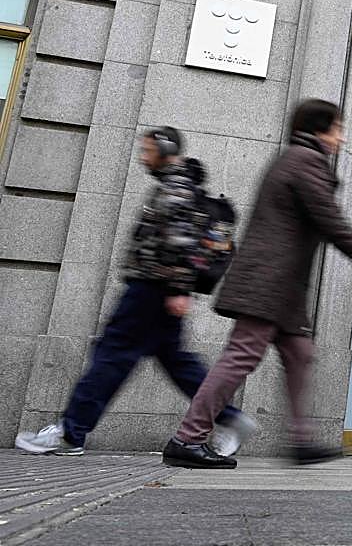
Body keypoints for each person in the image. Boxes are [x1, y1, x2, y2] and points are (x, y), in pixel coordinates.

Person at [162, 99, 352, 468]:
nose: (342, 138)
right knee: (241, 356)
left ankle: (301, 440)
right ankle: (187, 437)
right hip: (268, 282)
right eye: (338, 129)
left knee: (300, 354)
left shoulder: (297, 158)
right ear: (320, 130)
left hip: (282, 288)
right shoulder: (305, 160)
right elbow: (330, 219)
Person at [16, 128, 254, 457]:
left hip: (151, 289)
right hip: (157, 289)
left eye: (148, 150)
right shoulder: (177, 184)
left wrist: (178, 288)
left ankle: (71, 433)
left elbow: (179, 241)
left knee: (111, 356)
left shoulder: (176, 187)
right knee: (176, 362)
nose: (143, 157)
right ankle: (229, 416)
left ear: (166, 150)